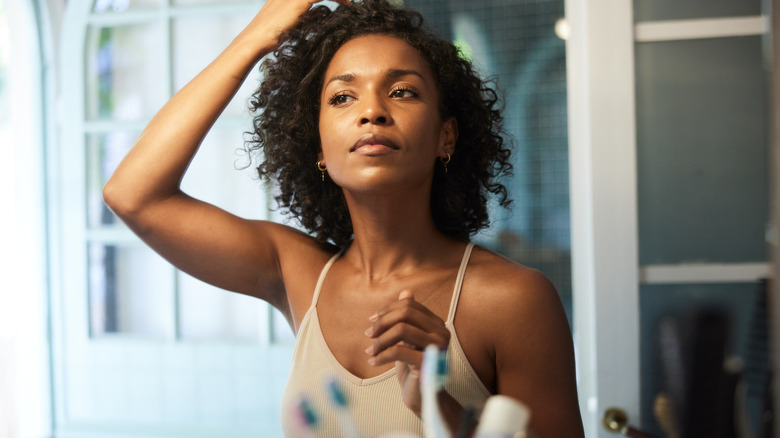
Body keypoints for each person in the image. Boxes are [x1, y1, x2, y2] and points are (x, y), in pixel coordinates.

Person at [102, 0, 584, 436]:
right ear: (318, 147)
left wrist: (441, 408)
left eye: (402, 91)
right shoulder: (297, 274)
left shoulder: (514, 300)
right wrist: (257, 37)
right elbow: (133, 195)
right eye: (342, 97)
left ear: (447, 137)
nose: (372, 111)